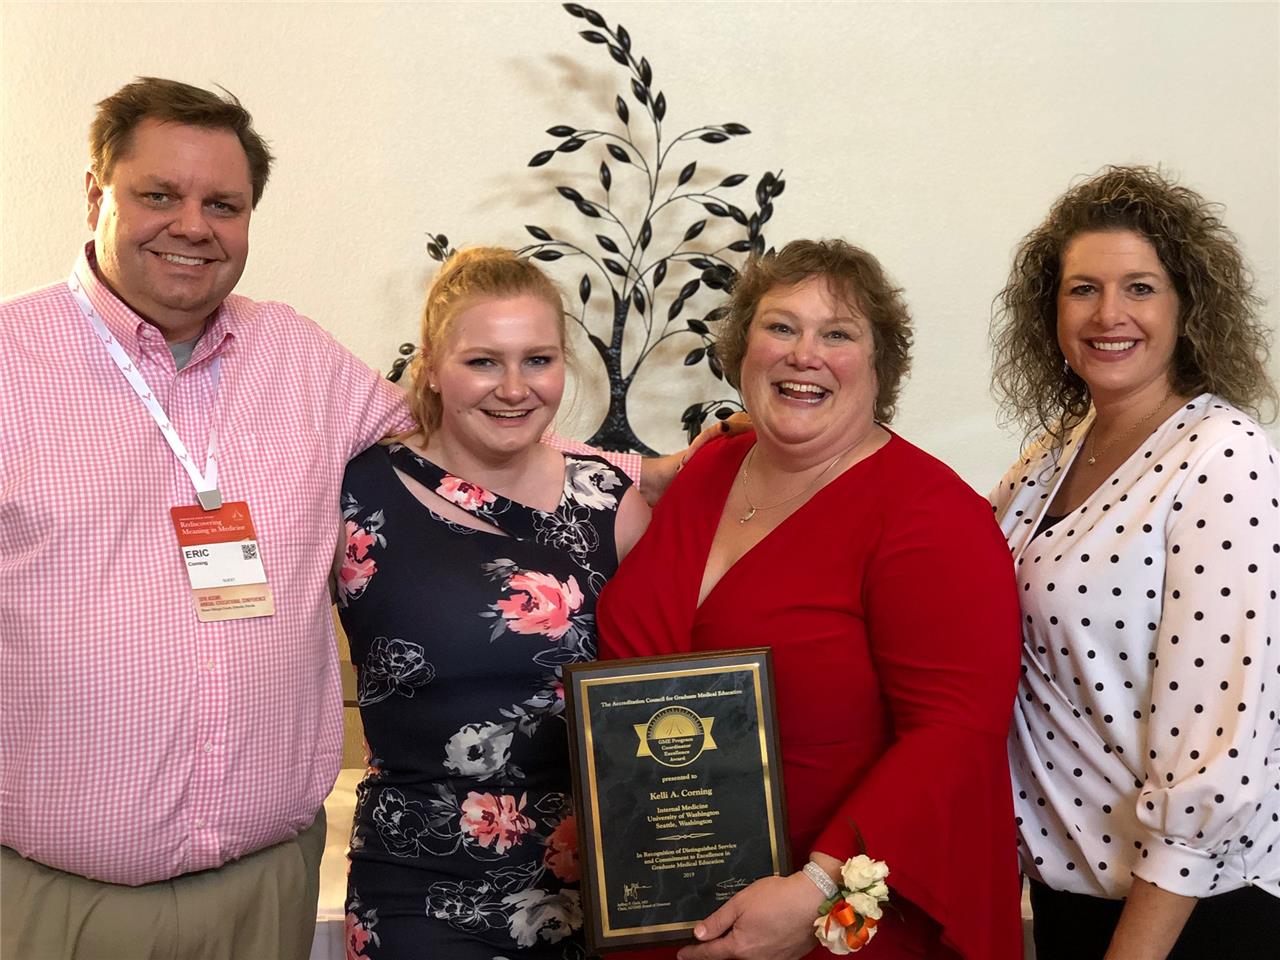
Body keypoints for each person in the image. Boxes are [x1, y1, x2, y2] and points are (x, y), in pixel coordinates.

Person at [0, 78, 656, 959]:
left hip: (266, 886)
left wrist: (688, 469)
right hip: (60, 896)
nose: (192, 224)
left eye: (222, 204)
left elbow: (465, 435)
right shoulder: (12, 365)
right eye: (159, 194)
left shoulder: (296, 358)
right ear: (95, 194)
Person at [596, 239, 1025, 960]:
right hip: (665, 910)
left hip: (829, 924)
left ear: (880, 365)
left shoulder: (930, 515)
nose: (804, 354)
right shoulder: (706, 472)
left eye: (838, 334)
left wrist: (820, 888)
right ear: (742, 349)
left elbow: (954, 736)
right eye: (781, 327)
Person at [989, 165, 1280, 960]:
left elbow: (1220, 745)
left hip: (1185, 919)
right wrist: (791, 446)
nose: (1108, 314)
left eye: (1140, 288)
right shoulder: (1049, 458)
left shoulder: (1222, 457)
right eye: (1083, 288)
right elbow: (945, 571)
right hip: (1070, 899)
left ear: (1188, 307)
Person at [337, 247, 649, 958]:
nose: (514, 388)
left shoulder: (611, 503)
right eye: (483, 361)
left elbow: (664, 683)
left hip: (597, 888)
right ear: (433, 370)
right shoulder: (355, 497)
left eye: (537, 359)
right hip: (417, 886)